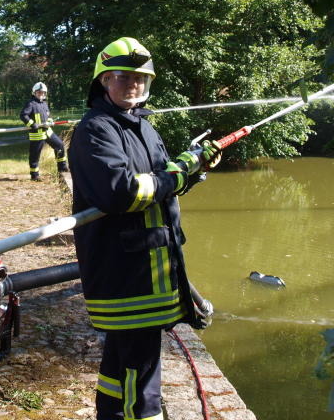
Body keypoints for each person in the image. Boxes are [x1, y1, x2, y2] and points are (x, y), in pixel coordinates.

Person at [68, 37, 222, 420]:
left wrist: (195, 168)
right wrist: (178, 172)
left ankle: (111, 414)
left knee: (123, 366)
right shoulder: (96, 130)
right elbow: (123, 193)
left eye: (140, 78)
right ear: (104, 82)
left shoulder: (144, 127)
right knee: (141, 374)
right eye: (123, 77)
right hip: (126, 278)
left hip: (150, 274)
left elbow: (166, 182)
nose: (133, 85)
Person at [19, 81, 68, 181]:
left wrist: (50, 121)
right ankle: (34, 175)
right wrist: (32, 124)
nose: (41, 94)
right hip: (37, 134)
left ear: (45, 94)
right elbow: (23, 115)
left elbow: (47, 116)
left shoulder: (45, 104)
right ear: (34, 93)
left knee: (59, 145)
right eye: (39, 93)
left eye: (43, 93)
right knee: (35, 155)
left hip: (47, 131)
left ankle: (62, 168)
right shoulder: (30, 104)